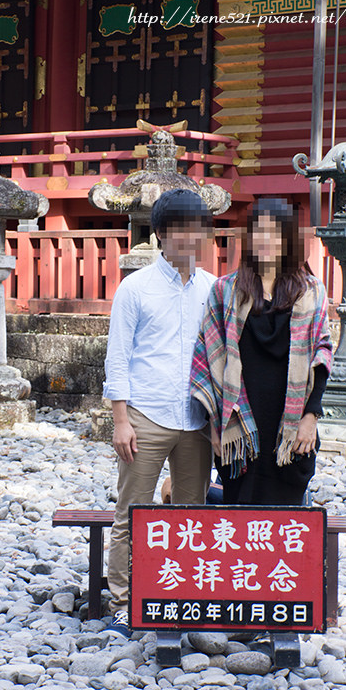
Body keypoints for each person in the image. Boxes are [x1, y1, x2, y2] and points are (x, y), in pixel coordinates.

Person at [102, 188, 216, 638]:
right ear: (162, 235)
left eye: (198, 229)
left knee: (193, 515)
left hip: (196, 418)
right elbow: (118, 357)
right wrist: (120, 420)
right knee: (132, 512)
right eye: (180, 229)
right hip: (145, 415)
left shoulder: (213, 289)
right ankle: (123, 602)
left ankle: (183, 598)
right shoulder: (136, 288)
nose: (190, 238)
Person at [190, 198, 333, 506]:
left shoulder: (310, 291)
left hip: (290, 424)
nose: (266, 240)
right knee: (238, 521)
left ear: (289, 239)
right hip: (238, 426)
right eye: (259, 232)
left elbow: (322, 355)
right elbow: (206, 358)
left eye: (276, 232)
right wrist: (214, 428)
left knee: (285, 523)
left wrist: (311, 416)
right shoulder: (225, 291)